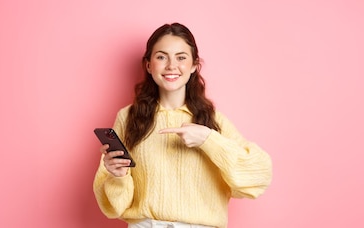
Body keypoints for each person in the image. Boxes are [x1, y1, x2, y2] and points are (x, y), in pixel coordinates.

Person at [93, 22, 272, 228]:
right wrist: (118, 176)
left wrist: (208, 140)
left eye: (181, 57)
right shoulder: (128, 117)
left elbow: (259, 174)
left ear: (194, 65)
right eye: (161, 57)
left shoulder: (212, 120)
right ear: (149, 65)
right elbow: (115, 207)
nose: (171, 66)